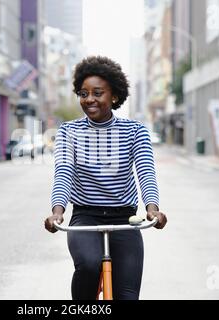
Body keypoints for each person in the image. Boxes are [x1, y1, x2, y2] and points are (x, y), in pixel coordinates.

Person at [44, 56, 167, 300]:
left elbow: (145, 172)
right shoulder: (69, 131)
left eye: (97, 92)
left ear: (114, 96)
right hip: (85, 217)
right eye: (83, 93)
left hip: (125, 217)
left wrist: (152, 209)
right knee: (89, 266)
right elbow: (64, 174)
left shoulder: (136, 131)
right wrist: (57, 212)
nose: (89, 99)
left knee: (127, 295)